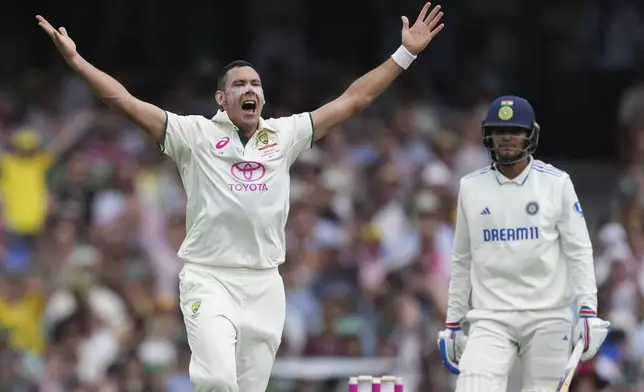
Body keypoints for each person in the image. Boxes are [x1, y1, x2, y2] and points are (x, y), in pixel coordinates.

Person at [36, 4, 444, 392]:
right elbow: (124, 101)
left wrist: (405, 53)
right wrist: (77, 62)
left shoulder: (284, 136)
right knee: (216, 381)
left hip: (265, 283)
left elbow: (354, 99)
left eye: (256, 85)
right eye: (239, 84)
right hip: (208, 277)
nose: (250, 89)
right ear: (221, 99)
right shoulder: (192, 135)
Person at [437, 96, 611, 391]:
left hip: (548, 316)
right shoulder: (470, 186)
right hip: (490, 317)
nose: (506, 139)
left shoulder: (557, 183)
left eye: (515, 131)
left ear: (530, 135)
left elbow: (579, 250)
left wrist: (588, 311)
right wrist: (454, 323)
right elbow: (462, 259)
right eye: (499, 131)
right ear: (487, 135)